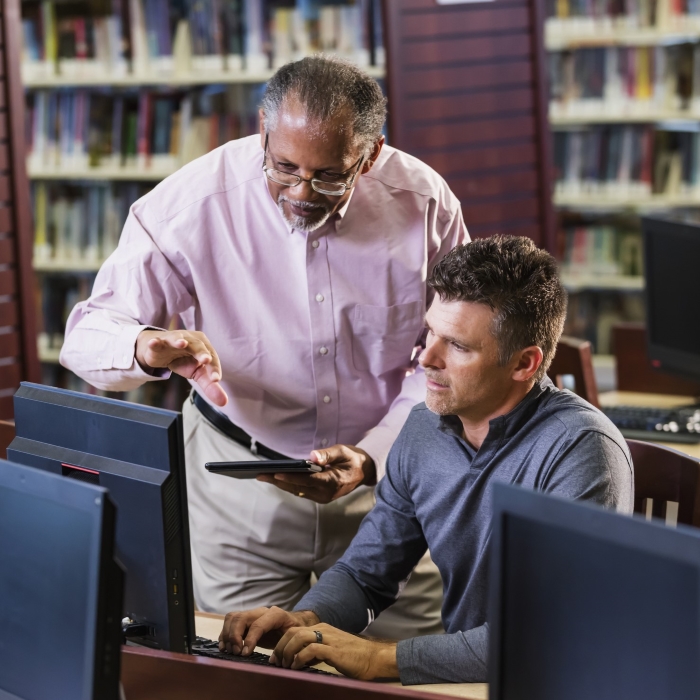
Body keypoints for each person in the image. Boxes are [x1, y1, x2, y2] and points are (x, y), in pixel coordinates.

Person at [59, 56, 467, 638]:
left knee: (405, 673)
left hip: (391, 491)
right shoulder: (194, 202)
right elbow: (87, 332)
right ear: (263, 131)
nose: (301, 191)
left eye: (328, 175)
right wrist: (147, 344)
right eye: (284, 167)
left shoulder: (425, 205)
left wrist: (374, 456)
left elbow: (449, 357)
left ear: (371, 154)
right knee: (240, 672)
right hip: (239, 491)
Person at [217, 235, 635, 684]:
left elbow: (552, 637)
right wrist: (305, 620)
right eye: (430, 332)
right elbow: (366, 574)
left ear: (524, 364)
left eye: (457, 345)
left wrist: (381, 659)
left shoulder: (583, 451)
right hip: (469, 684)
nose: (427, 359)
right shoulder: (422, 428)